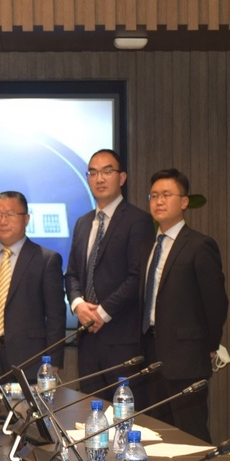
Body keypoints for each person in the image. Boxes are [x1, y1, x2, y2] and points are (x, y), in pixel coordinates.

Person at [140, 169, 228, 443]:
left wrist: (209, 345)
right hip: (151, 354)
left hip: (187, 357)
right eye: (154, 195)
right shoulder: (149, 246)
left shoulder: (200, 245)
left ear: (185, 202)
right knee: (158, 436)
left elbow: (216, 301)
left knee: (191, 437)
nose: (159, 201)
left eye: (166, 195)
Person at [65, 149, 154, 397]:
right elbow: (72, 274)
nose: (99, 179)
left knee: (124, 413)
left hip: (121, 341)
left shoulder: (138, 221)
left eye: (107, 172)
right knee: (90, 411)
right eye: (93, 173)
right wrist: (78, 305)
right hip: (87, 340)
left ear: (122, 178)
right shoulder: (83, 223)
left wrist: (101, 313)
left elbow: (137, 278)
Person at [0, 191, 66, 378]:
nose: (3, 221)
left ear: (27, 219)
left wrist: (54, 362)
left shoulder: (46, 259)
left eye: (10, 214)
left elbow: (56, 316)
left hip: (29, 359)